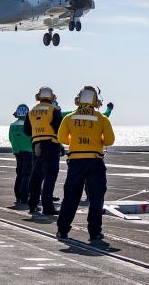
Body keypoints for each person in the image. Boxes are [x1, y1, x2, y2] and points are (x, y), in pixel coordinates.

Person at [55, 86, 115, 241]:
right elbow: (109, 140)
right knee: (96, 197)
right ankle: (95, 232)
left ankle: (63, 230)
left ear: (78, 100)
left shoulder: (69, 118)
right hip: (95, 161)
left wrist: (74, 141)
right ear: (96, 101)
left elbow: (61, 138)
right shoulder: (102, 118)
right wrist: (97, 141)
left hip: (75, 161)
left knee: (71, 197)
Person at [25, 86, 63, 215]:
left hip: (36, 144)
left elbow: (27, 130)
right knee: (50, 177)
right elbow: (60, 130)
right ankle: (48, 206)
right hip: (51, 144)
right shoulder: (54, 110)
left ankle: (32, 204)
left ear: (38, 97)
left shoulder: (31, 111)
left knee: (36, 176)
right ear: (51, 97)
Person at [8, 104, 33, 207]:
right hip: (29, 152)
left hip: (18, 152)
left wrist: (16, 150)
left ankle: (18, 195)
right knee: (27, 175)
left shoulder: (12, 125)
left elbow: (11, 139)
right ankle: (24, 196)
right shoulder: (29, 125)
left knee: (19, 174)